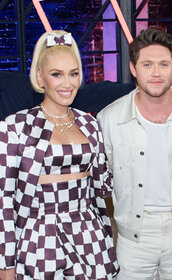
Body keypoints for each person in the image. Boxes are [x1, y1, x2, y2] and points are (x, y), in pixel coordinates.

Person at [97, 27, 172, 280]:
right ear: (133, 68)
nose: (156, 73)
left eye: (164, 64)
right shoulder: (109, 119)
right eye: (147, 64)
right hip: (133, 236)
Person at [0, 30, 119, 279]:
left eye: (73, 74)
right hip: (38, 238)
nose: (68, 83)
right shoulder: (16, 126)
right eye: (57, 74)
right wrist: (6, 263)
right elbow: (4, 203)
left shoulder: (89, 123)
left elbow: (103, 187)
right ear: (40, 78)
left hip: (89, 237)